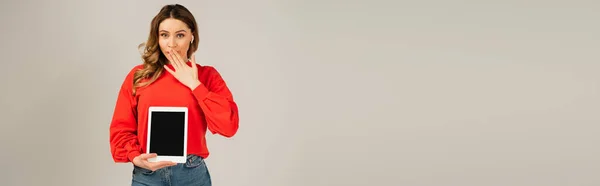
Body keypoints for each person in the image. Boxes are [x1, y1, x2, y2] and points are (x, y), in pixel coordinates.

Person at [109, 4, 239, 186]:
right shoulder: (138, 76)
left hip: (192, 174)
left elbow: (228, 126)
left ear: (191, 36)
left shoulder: (207, 76)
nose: (171, 44)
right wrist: (135, 156)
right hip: (147, 175)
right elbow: (121, 128)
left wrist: (195, 85)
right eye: (164, 35)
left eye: (180, 35)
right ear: (157, 37)